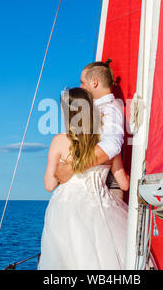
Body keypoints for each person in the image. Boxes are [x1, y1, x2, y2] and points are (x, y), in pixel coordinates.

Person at [38, 87, 129, 269]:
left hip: (66, 211)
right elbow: (124, 184)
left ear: (67, 113)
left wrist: (64, 170)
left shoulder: (60, 141)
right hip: (104, 209)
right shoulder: (107, 144)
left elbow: (49, 185)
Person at [55, 60, 126, 200]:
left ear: (94, 82)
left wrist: (72, 167)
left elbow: (112, 145)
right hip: (86, 189)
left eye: (83, 82)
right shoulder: (91, 108)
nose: (80, 87)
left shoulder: (110, 109)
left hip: (106, 189)